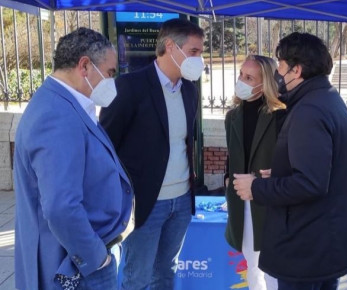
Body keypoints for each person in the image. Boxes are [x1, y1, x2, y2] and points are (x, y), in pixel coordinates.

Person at [233, 32, 347, 290]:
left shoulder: (310, 111)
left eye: (280, 64)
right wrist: (280, 172)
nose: (277, 71)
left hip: (308, 247)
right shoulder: (326, 99)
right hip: (321, 243)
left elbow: (311, 183)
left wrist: (256, 188)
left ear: (297, 69)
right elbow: (321, 167)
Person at [13, 28, 133, 290]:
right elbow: (61, 207)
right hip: (75, 267)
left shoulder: (65, 103)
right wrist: (96, 258)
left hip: (80, 260)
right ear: (84, 66)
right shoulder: (56, 115)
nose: (113, 81)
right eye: (110, 72)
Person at [99, 18, 204, 289]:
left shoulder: (190, 90)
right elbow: (105, 146)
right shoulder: (129, 87)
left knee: (166, 272)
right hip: (145, 203)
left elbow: (182, 142)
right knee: (138, 278)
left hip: (180, 202)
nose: (199, 59)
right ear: (170, 46)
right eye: (194, 51)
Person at [224, 55, 285, 290]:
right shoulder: (233, 116)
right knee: (252, 266)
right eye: (241, 74)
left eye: (249, 77)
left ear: (265, 83)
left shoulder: (280, 115)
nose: (242, 80)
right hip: (242, 203)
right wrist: (228, 180)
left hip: (269, 200)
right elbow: (232, 156)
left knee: (271, 269)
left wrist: (271, 177)